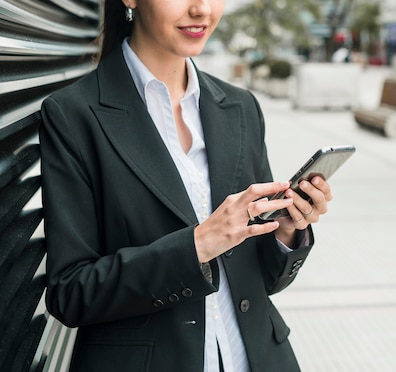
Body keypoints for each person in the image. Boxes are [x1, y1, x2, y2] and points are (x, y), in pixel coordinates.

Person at [39, 0, 333, 371]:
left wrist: (286, 232)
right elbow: (70, 293)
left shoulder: (241, 107)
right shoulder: (73, 115)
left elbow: (260, 281)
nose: (202, 10)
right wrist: (197, 245)